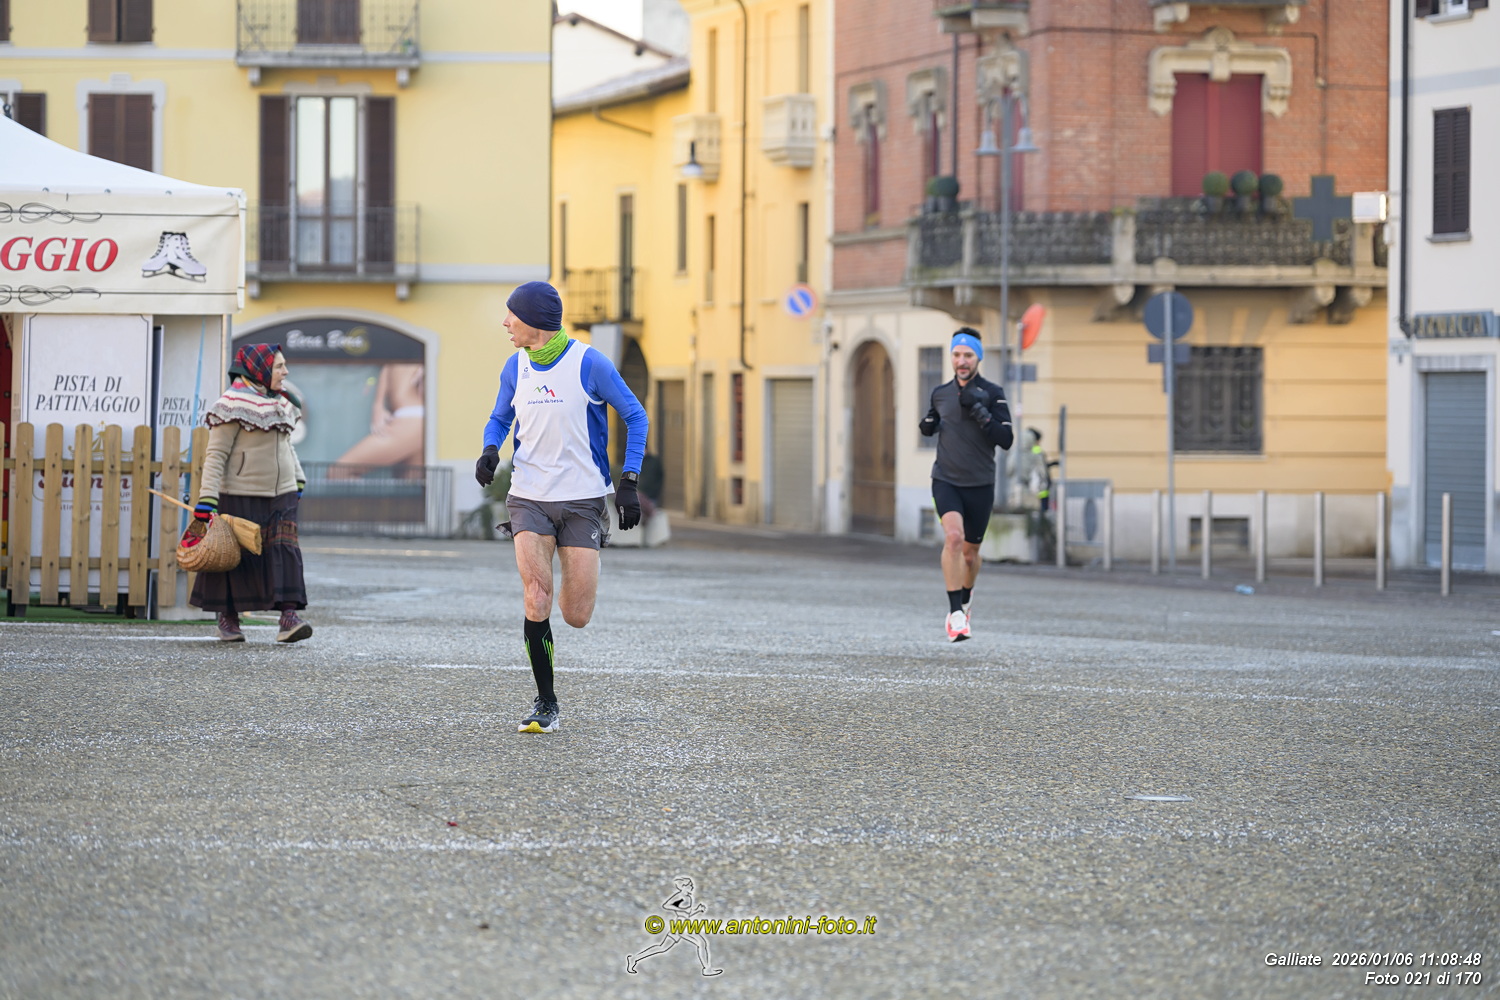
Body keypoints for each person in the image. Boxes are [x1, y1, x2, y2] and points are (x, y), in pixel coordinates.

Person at [474, 280, 648, 734]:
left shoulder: (590, 363)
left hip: (582, 498)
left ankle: (585, 562)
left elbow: (636, 415)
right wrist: (491, 448)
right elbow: (500, 417)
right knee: (537, 597)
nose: (505, 323)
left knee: (576, 614)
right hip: (528, 496)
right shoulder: (515, 366)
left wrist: (628, 481)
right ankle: (545, 702)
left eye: (512, 315)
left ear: (534, 321)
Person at [190, 344, 313, 644]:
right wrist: (207, 499)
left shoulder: (281, 402)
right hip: (240, 492)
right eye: (279, 366)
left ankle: (289, 618)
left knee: (285, 552)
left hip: (283, 494)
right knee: (237, 557)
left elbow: (286, 444)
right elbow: (216, 455)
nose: (285, 372)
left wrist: (298, 478)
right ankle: (228, 618)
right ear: (259, 369)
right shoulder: (230, 405)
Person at [919, 327, 1014, 642]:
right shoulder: (940, 393)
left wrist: (981, 412)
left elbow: (1006, 439)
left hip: (980, 483)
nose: (962, 361)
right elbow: (933, 420)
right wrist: (928, 424)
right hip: (946, 479)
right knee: (954, 538)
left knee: (970, 555)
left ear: (978, 358)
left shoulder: (993, 392)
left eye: (968, 355)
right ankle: (955, 614)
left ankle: (966, 598)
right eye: (957, 354)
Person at [327, 362, 425, 480]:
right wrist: (378, 405)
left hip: (413, 417)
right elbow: (388, 365)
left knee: (337, 472)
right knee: (410, 482)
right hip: (409, 417)